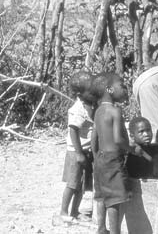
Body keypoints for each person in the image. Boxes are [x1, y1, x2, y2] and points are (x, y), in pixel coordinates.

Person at [90, 72, 151, 234]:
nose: (125, 89)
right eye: (122, 86)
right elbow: (118, 139)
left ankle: (101, 229)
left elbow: (94, 137)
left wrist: (96, 157)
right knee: (115, 200)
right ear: (109, 90)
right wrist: (133, 149)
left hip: (101, 159)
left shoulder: (98, 111)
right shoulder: (115, 111)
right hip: (113, 160)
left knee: (102, 196)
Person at [58, 70, 95, 223]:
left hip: (85, 150)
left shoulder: (90, 104)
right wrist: (79, 153)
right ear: (80, 94)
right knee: (72, 184)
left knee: (80, 185)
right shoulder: (77, 109)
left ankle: (75, 210)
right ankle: (63, 212)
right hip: (76, 152)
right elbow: (73, 130)